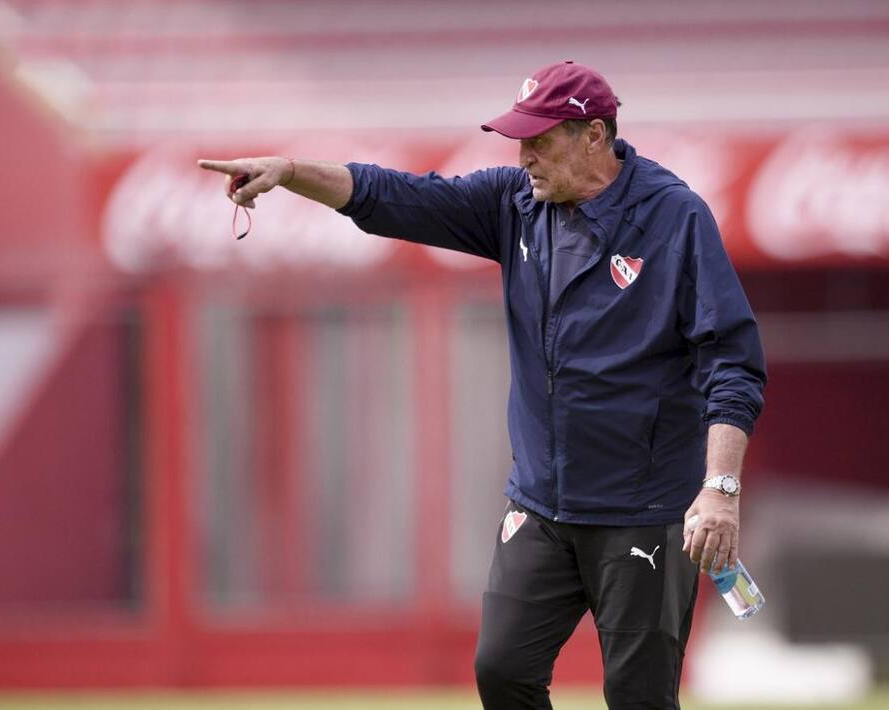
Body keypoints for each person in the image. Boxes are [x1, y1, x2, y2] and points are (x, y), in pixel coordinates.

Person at [198, 60, 766, 710]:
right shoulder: (513, 205)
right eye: (520, 140)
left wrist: (719, 490)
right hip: (542, 505)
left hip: (642, 511)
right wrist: (293, 171)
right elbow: (392, 196)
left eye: (540, 140)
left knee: (638, 698)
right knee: (502, 670)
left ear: (594, 136)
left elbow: (732, 362)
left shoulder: (675, 218)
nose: (524, 156)